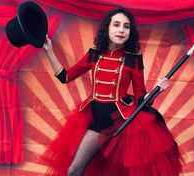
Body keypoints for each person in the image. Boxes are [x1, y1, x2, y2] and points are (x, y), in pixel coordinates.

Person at [42, 7, 183, 176]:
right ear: (107, 27)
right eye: (116, 25)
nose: (121, 30)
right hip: (97, 121)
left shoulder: (133, 59)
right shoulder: (94, 55)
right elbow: (65, 77)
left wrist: (158, 90)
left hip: (124, 124)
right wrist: (48, 50)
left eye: (126, 26)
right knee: (74, 170)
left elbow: (140, 98)